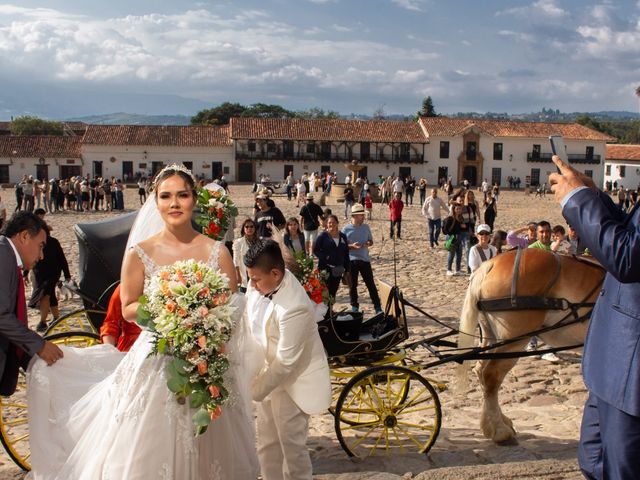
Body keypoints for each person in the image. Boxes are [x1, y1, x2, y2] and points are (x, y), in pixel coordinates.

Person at [27, 165, 259, 479]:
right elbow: (128, 307)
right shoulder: (140, 253)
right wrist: (169, 310)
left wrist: (202, 322)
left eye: (182, 195)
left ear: (194, 200)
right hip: (156, 358)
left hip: (206, 357)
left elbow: (232, 305)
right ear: (156, 202)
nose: (174, 203)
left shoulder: (217, 252)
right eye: (166, 196)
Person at [549, 154, 640, 480]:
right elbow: (632, 232)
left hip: (632, 371)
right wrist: (594, 196)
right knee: (593, 461)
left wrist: (577, 199)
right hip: (612, 360)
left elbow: (628, 257)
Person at [243, 240, 332, 480]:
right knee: (267, 445)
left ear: (275, 273)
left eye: (256, 279)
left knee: (292, 450)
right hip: (267, 376)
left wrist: (252, 391)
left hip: (293, 384)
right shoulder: (261, 283)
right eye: (250, 278)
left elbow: (285, 363)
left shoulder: (295, 308)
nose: (251, 285)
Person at [0, 211, 64, 397]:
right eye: (41, 246)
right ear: (25, 236)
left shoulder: (7, 255)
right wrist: (39, 345)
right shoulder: (3, 255)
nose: (42, 255)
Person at [28, 223, 72, 332]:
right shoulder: (35, 242)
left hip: (52, 273)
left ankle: (42, 321)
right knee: (50, 294)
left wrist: (67, 275)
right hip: (39, 274)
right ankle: (56, 318)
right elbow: (29, 257)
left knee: (45, 295)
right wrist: (25, 273)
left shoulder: (53, 242)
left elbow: (62, 259)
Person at [342, 204, 382, 314]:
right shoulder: (345, 229)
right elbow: (342, 247)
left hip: (365, 260)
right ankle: (354, 307)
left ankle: (378, 307)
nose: (363, 217)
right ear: (354, 216)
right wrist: (352, 246)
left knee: (371, 284)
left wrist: (368, 243)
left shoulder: (366, 227)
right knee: (352, 286)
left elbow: (371, 241)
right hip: (351, 260)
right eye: (361, 215)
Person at [314, 214, 350, 300]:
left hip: (337, 270)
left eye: (333, 222)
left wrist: (347, 269)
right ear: (326, 224)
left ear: (337, 223)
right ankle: (326, 312)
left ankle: (330, 311)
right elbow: (316, 250)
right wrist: (325, 257)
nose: (331, 224)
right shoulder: (322, 236)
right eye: (329, 223)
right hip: (325, 269)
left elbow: (346, 253)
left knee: (333, 292)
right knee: (325, 293)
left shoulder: (343, 236)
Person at [99, 284, 141, 352]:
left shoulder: (162, 288)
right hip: (130, 348)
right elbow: (111, 323)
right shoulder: (124, 288)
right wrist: (109, 350)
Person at [233, 218, 259, 292]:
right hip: (244, 274)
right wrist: (238, 275)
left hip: (257, 273)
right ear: (243, 229)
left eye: (251, 226)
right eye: (247, 227)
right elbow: (235, 260)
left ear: (254, 228)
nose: (249, 228)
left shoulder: (259, 241)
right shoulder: (238, 242)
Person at [442, 204, 466, 276]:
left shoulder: (461, 218)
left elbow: (461, 229)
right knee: (451, 254)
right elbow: (446, 230)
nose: (458, 210)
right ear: (454, 210)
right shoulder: (450, 218)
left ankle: (457, 270)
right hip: (451, 238)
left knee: (459, 254)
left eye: (460, 209)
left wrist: (463, 227)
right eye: (457, 209)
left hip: (459, 238)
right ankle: (449, 270)